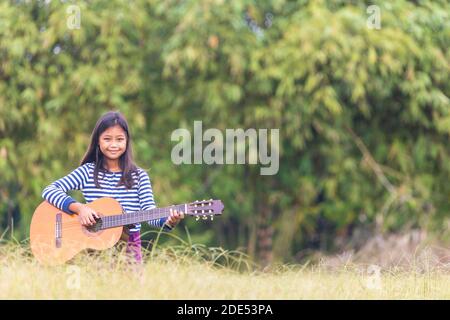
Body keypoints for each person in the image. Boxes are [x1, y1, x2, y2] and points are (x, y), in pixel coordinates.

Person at [41, 111, 184, 264]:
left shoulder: (139, 176)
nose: (113, 145)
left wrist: (168, 221)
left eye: (120, 139)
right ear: (98, 141)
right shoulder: (87, 172)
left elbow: (149, 212)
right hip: (93, 249)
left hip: (128, 245)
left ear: (127, 141)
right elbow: (49, 190)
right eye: (107, 139)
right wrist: (80, 208)